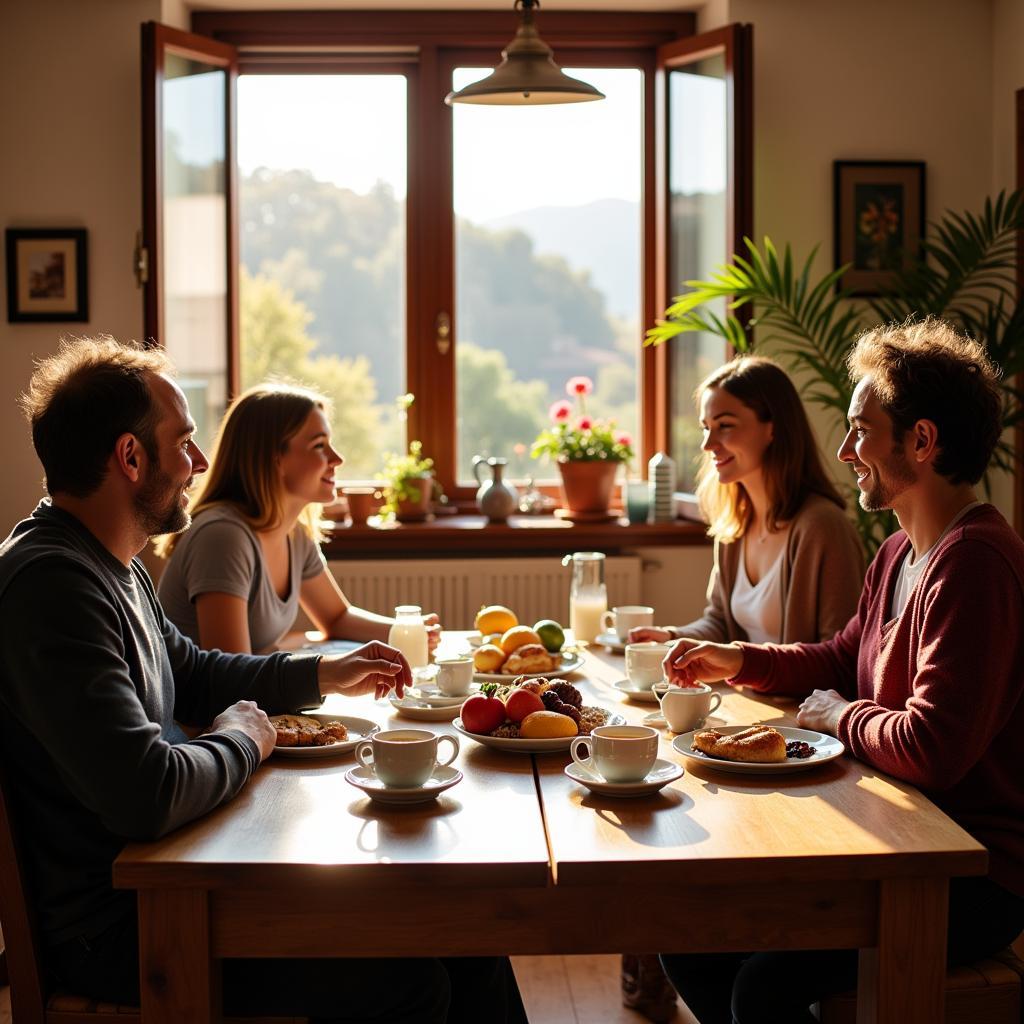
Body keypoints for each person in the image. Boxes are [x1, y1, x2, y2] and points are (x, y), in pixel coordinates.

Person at [0, 336, 525, 1024]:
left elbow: (196, 672)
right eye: (183, 442)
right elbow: (147, 794)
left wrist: (322, 672)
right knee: (409, 980)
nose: (198, 462)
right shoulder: (53, 586)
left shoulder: (110, 565)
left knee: (463, 928)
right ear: (130, 458)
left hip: (180, 872)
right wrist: (248, 738)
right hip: (129, 922)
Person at [660, 319, 1024, 1024]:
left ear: (921, 441)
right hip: (891, 834)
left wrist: (837, 715)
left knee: (758, 989)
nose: (845, 450)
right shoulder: (898, 553)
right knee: (685, 930)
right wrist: (740, 659)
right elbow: (840, 656)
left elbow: (933, 747)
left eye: (862, 430)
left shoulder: (976, 563)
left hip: (968, 871)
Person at [621, 356, 864, 1023]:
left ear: (772, 428)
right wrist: (671, 636)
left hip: (803, 760)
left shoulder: (821, 529)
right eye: (705, 428)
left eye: (724, 426)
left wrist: (732, 661)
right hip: (741, 744)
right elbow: (721, 626)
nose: (708, 445)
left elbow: (844, 662)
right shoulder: (735, 525)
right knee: (680, 925)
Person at [156, 382, 441, 656]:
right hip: (211, 706)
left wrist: (408, 630)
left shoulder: (294, 533)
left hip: (247, 700)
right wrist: (327, 675)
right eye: (319, 446)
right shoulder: (222, 537)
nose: (337, 458)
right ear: (274, 458)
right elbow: (231, 672)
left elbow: (337, 618)